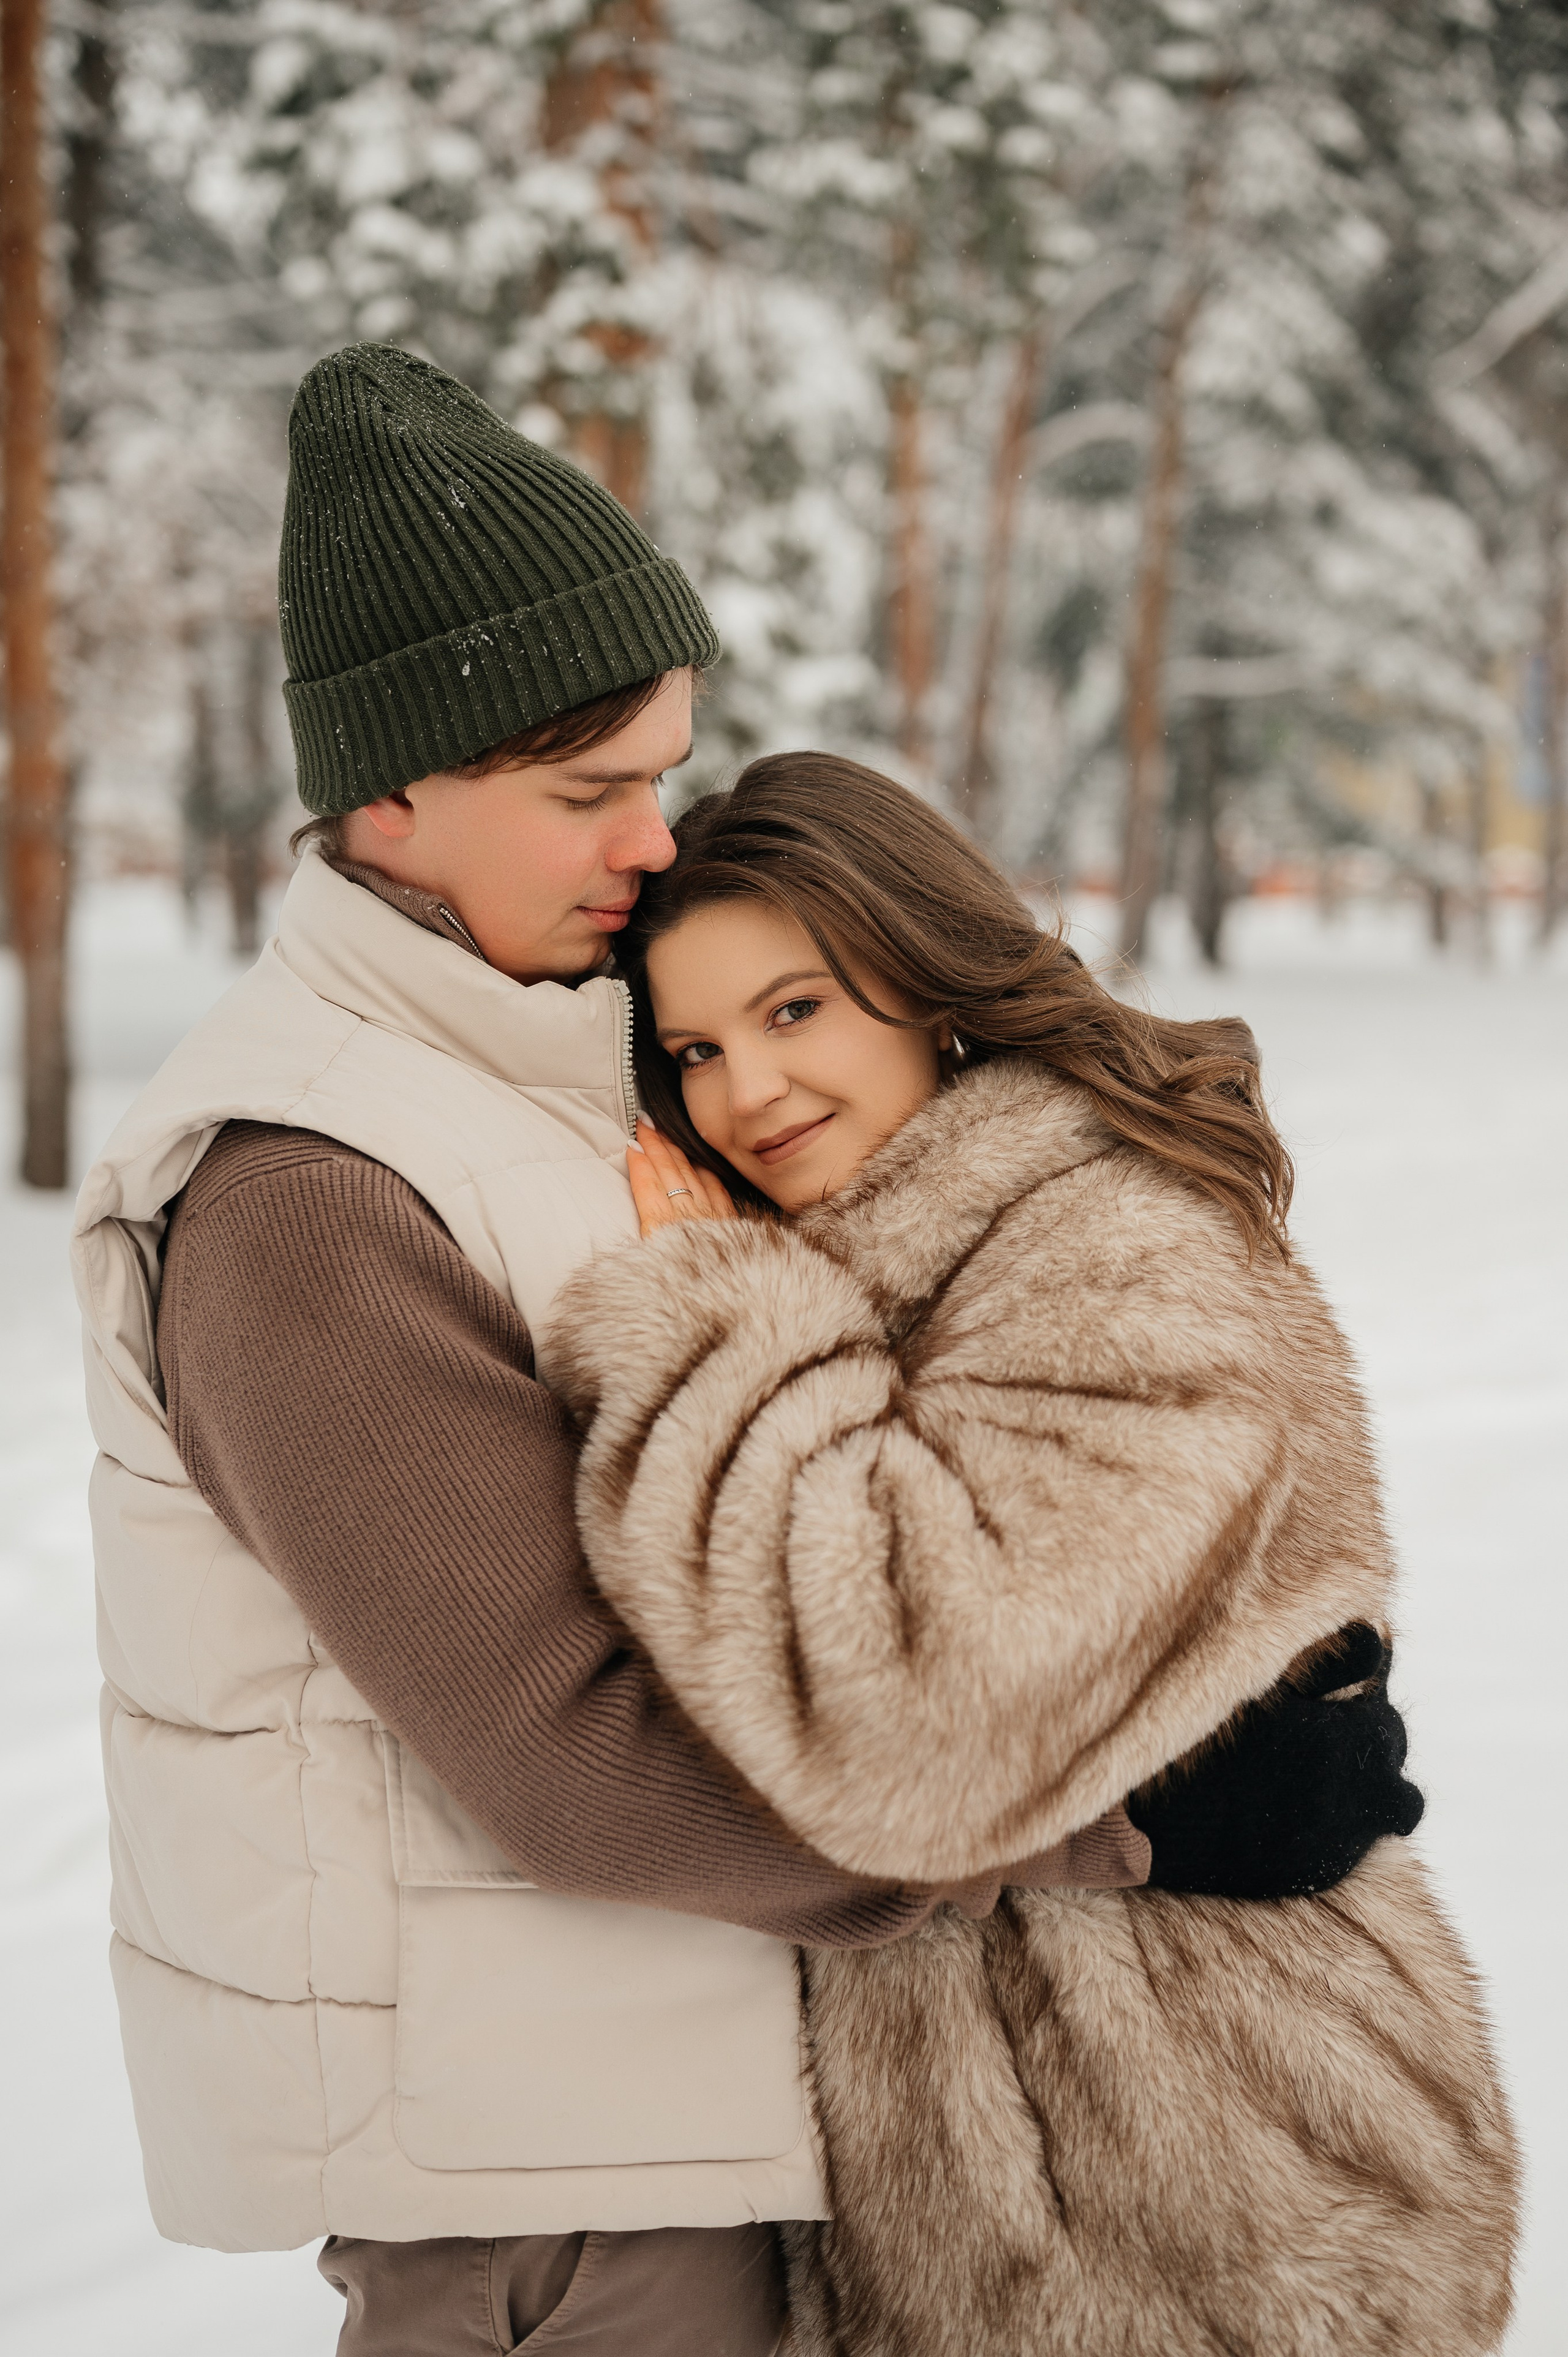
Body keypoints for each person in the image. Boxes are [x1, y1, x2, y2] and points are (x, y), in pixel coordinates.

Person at [71, 347, 1447, 2357]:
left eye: (662, 770)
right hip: (541, 2186)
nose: (650, 839)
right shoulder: (312, 1191)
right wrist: (1136, 1821)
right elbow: (579, 1756)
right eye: (589, 792)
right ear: (392, 790)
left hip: (697, 2134)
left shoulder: (554, 1074)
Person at [542, 753, 1521, 2357]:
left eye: (797, 1011)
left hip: (1229, 2194)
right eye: (700, 1049)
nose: (748, 1094)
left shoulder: (1102, 1234)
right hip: (1021, 2212)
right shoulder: (889, 1255)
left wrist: (719, 1321)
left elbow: (919, 1724)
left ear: (929, 988)